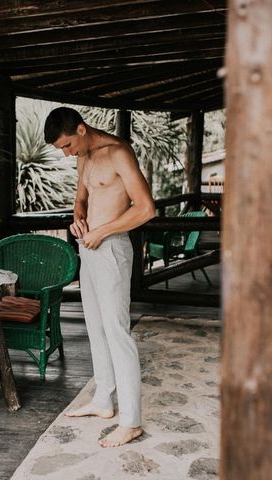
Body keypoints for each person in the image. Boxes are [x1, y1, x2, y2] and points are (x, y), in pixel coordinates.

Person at [44, 107, 155, 447]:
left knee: (117, 332)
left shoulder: (118, 152)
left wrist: (102, 231)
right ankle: (104, 401)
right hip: (89, 249)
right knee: (95, 326)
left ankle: (132, 421)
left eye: (66, 145)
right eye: (60, 149)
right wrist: (78, 221)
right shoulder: (84, 157)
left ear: (80, 129)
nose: (66, 153)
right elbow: (80, 201)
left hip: (112, 249)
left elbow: (146, 208)